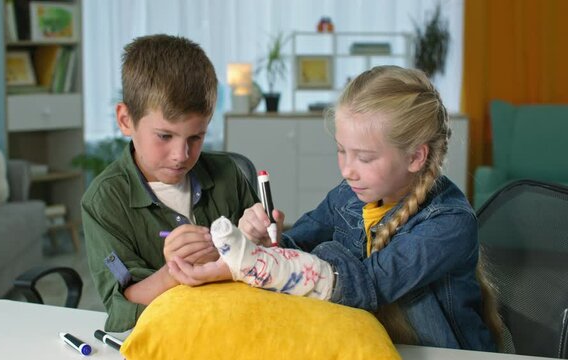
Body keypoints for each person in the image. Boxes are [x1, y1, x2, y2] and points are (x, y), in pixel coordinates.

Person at [167, 65, 502, 351]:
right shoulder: (349, 195)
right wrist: (264, 241)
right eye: (342, 151)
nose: (347, 170)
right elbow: (296, 245)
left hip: (446, 353)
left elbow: (366, 285)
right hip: (375, 345)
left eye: (365, 157)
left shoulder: (449, 223)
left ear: (415, 156)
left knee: (330, 254)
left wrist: (253, 264)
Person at [81, 34, 259, 332]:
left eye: (195, 137)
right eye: (164, 136)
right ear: (126, 120)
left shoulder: (228, 173)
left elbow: (271, 265)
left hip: (241, 325)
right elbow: (123, 304)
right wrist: (173, 274)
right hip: (171, 336)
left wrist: (261, 242)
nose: (181, 155)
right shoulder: (104, 201)